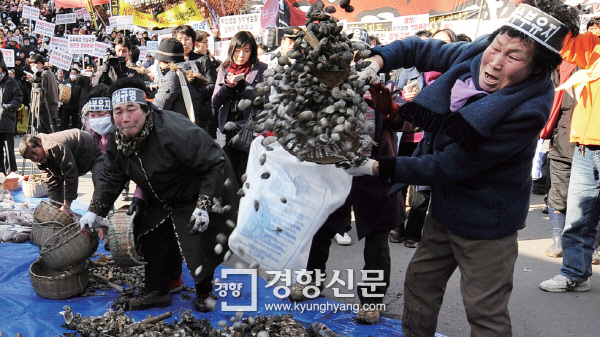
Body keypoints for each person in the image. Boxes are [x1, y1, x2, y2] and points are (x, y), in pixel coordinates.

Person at [350, 1, 579, 335]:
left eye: (513, 57)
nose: (495, 62)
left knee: (485, 311)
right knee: (419, 286)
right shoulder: (477, 54)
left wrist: (374, 167)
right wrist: (378, 59)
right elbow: (418, 47)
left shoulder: (529, 109)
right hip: (446, 210)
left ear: (535, 68)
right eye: (496, 47)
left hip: (488, 224)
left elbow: (448, 165)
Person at [78, 77, 239, 311]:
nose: (125, 118)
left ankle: (204, 290)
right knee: (150, 233)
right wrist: (94, 211)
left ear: (145, 108)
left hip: (196, 190)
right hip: (160, 194)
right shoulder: (117, 139)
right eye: (118, 111)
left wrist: (203, 205)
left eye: (131, 110)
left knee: (197, 242)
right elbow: (112, 177)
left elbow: (213, 164)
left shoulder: (174, 130)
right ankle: (161, 288)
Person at [539, 15, 600, 292]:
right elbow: (561, 40)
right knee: (578, 218)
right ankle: (575, 273)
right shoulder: (593, 45)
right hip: (587, 147)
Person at [212, 31, 267, 183]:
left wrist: (244, 87)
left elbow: (264, 100)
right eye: (237, 50)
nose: (241, 55)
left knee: (246, 174)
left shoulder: (261, 69)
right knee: (227, 172)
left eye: (246, 51)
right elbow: (215, 101)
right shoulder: (224, 68)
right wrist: (228, 87)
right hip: (226, 128)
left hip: (248, 129)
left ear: (253, 51)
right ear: (231, 50)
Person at [19, 129, 103, 216]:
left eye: (34, 152)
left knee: (100, 185)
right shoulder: (38, 159)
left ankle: (107, 215)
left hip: (93, 149)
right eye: (31, 157)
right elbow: (52, 180)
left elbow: (70, 175)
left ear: (39, 142)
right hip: (78, 159)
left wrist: (66, 205)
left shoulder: (54, 147)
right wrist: (55, 207)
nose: (35, 158)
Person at [153, 38, 209, 130]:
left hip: (176, 131)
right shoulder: (190, 72)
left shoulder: (173, 76)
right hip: (191, 129)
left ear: (163, 61)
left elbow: (158, 108)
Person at [0, 51, 23, 174]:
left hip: (6, 120)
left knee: (9, 151)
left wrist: (8, 107)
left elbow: (18, 97)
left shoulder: (11, 82)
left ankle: (11, 172)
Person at [28, 53, 59, 133]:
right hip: (52, 108)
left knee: (43, 135)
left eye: (33, 65)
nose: (32, 67)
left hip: (45, 109)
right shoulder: (50, 73)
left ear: (39, 64)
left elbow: (42, 94)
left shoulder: (43, 74)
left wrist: (35, 108)